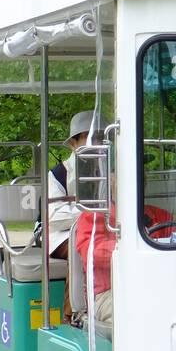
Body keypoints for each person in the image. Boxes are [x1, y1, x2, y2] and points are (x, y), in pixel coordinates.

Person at [42, 110, 108, 259]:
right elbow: (54, 219)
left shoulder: (114, 171)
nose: (96, 143)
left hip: (102, 231)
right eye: (89, 137)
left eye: (100, 137)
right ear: (73, 144)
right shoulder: (58, 175)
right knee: (85, 248)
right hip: (62, 236)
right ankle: (79, 284)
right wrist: (97, 211)